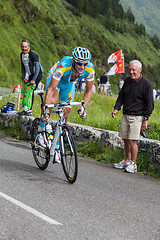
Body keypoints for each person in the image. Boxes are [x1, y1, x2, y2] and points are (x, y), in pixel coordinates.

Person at [37, 47, 95, 162]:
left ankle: (57, 146)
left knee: (66, 111)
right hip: (55, 81)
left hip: (68, 84)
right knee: (52, 103)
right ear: (74, 60)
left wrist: (83, 107)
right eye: (79, 63)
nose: (82, 67)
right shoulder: (63, 65)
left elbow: (88, 91)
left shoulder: (90, 70)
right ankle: (40, 130)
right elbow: (51, 89)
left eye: (85, 64)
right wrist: (47, 108)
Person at [112, 60, 154, 173]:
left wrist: (145, 120)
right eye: (130, 69)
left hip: (138, 117)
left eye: (133, 70)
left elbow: (150, 104)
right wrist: (116, 108)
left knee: (132, 140)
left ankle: (133, 164)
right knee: (125, 139)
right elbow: (121, 96)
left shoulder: (146, 84)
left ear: (140, 70)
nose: (131, 72)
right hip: (126, 114)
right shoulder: (127, 81)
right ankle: (126, 160)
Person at [19, 39, 43, 115]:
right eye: (22, 47)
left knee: (30, 91)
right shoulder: (21, 55)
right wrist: (24, 77)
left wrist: (34, 79)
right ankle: (25, 108)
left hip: (37, 74)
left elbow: (38, 68)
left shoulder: (33, 54)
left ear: (28, 46)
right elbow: (23, 67)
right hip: (30, 74)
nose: (24, 48)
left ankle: (29, 110)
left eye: (25, 47)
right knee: (26, 90)